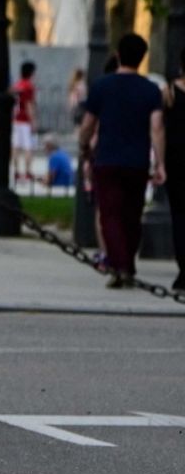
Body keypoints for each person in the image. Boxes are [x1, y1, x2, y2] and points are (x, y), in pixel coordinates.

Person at [79, 33, 165, 289]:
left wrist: (84, 146)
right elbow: (157, 128)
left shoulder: (102, 86)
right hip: (137, 162)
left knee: (110, 215)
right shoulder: (150, 90)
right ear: (142, 58)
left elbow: (88, 124)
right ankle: (127, 264)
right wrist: (160, 163)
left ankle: (120, 266)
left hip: (107, 159)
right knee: (132, 215)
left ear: (118, 54)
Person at [162, 50, 185, 291]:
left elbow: (159, 128)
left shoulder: (169, 92)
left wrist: (158, 160)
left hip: (176, 159)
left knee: (179, 216)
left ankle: (183, 270)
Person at [12, 60, 38, 182]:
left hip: (16, 119)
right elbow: (29, 104)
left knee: (16, 147)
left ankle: (16, 171)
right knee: (28, 147)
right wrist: (33, 121)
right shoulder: (29, 86)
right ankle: (27, 171)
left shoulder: (17, 85)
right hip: (25, 120)